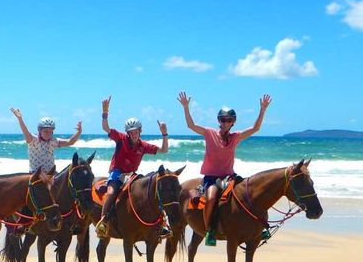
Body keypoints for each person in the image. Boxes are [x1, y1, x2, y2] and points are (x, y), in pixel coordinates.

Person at [177, 90, 272, 246]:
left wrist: (263, 109)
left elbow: (255, 128)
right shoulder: (209, 133)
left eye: (229, 120)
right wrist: (186, 107)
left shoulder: (235, 137)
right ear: (219, 120)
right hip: (211, 178)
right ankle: (210, 231)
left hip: (230, 177)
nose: (225, 123)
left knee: (250, 194)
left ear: (233, 122)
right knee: (212, 198)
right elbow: (191, 125)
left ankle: (259, 227)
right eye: (223, 119)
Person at [95, 95, 169, 239]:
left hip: (133, 175)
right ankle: (103, 222)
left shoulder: (143, 145)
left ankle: (162, 224)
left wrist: (164, 133)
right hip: (117, 173)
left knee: (150, 191)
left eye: (136, 131)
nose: (134, 134)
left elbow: (164, 150)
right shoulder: (121, 139)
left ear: (140, 131)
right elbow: (106, 128)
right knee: (111, 193)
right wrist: (105, 112)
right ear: (127, 133)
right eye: (131, 132)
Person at [10, 108, 82, 172]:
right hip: (36, 175)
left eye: (50, 131)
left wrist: (79, 132)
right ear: (39, 130)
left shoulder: (53, 141)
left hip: (51, 174)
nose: (48, 133)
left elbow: (70, 142)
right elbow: (26, 132)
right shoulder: (33, 140)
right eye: (45, 131)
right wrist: (20, 119)